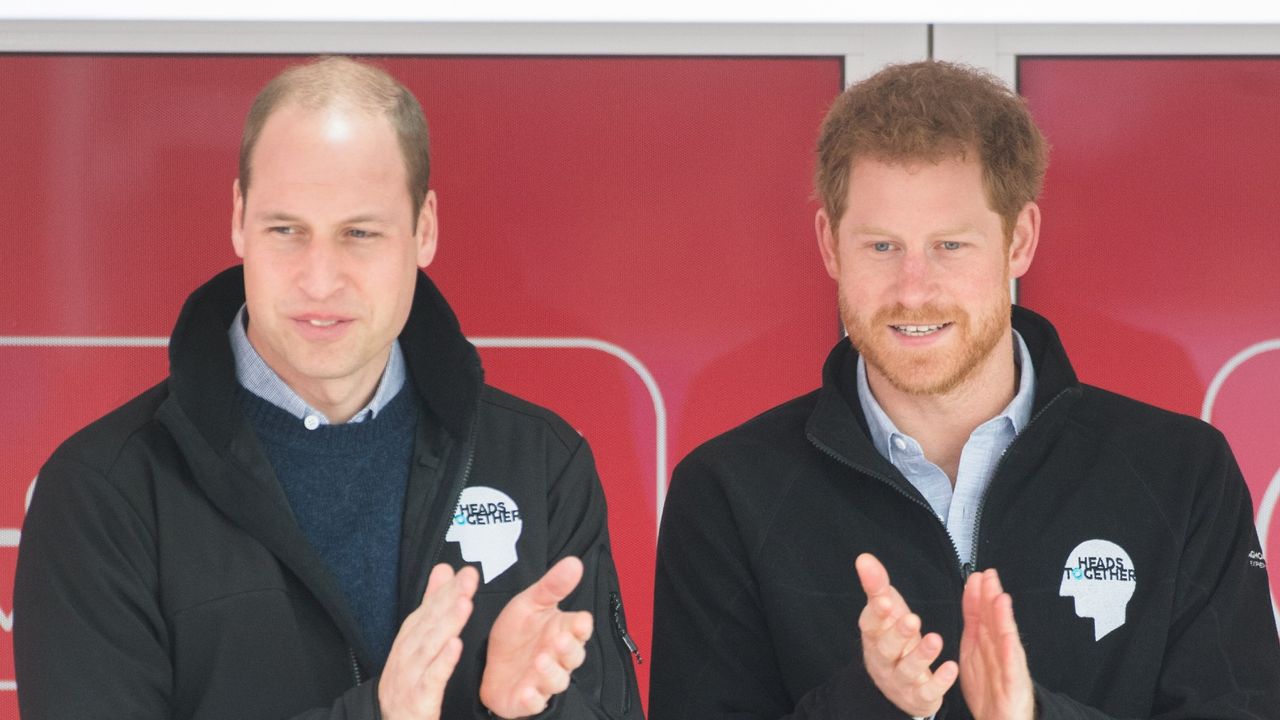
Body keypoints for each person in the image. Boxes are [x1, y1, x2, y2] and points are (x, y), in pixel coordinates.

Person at [15, 56, 642, 720]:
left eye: (359, 234)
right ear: (238, 219)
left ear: (423, 228)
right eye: (287, 231)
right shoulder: (103, 494)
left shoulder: (540, 465)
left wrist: (527, 712)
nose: (320, 280)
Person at [650, 60, 1280, 720]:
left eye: (950, 245)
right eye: (882, 247)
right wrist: (869, 704)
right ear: (830, 246)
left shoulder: (1182, 474)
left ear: (1020, 240)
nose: (914, 289)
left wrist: (1031, 715)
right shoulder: (727, 491)